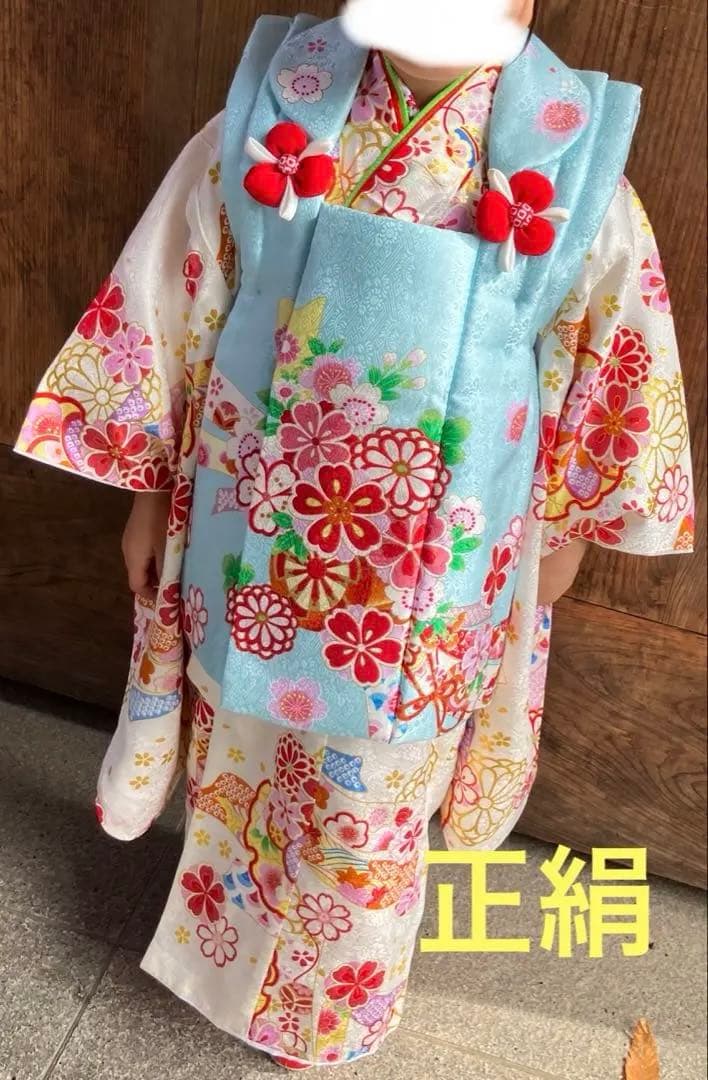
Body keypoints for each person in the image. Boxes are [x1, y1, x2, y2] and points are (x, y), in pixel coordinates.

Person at [16, 0, 695, 1069]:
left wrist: (568, 525)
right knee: (242, 735)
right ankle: (227, 951)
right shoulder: (271, 114)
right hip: (254, 498)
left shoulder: (574, 163)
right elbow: (180, 290)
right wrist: (149, 489)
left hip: (442, 537)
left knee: (379, 769)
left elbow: (610, 340)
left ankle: (329, 1003)